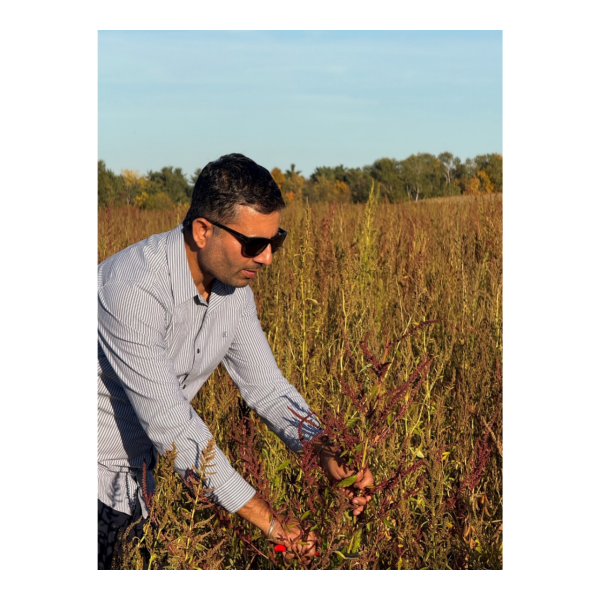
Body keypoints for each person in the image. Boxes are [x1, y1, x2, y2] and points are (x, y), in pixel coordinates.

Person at [98, 153, 373, 569]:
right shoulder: (133, 288)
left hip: (144, 485)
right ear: (203, 230)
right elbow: (171, 424)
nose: (267, 257)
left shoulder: (233, 289)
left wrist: (325, 450)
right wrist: (272, 524)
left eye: (274, 240)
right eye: (254, 244)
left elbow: (267, 388)